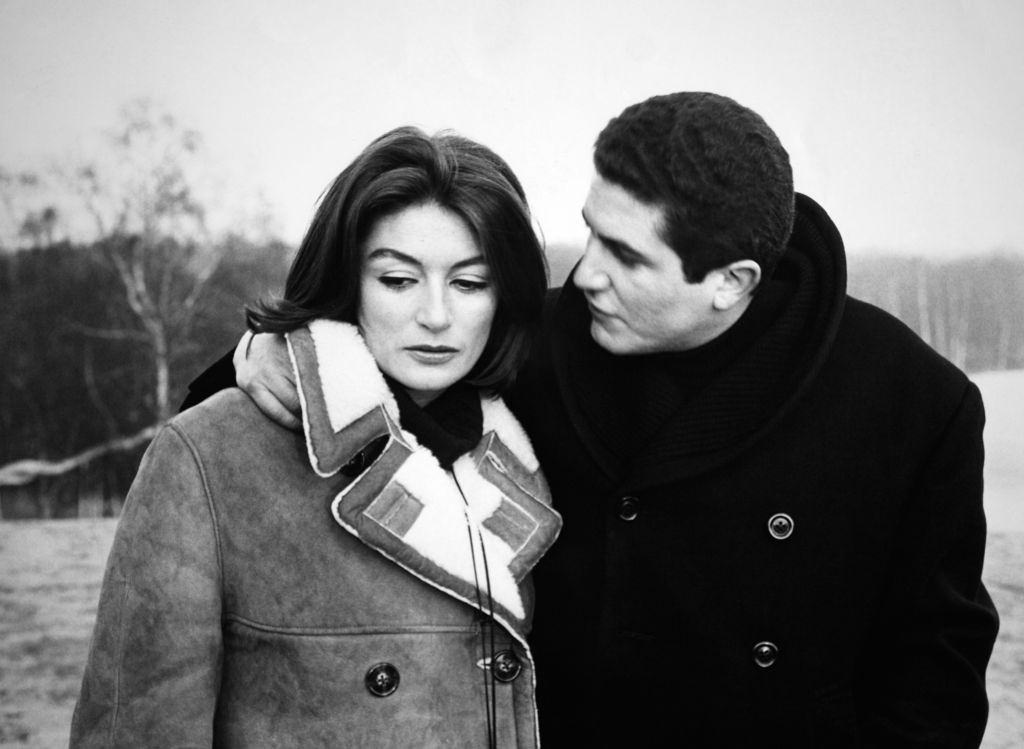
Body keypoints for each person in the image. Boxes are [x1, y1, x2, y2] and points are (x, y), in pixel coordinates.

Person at [182, 93, 999, 747]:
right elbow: (356, 375)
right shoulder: (535, 342)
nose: (586, 274)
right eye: (591, 233)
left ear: (731, 279)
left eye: (628, 256)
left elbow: (935, 670)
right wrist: (265, 353)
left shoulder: (913, 403)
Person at [71, 126, 561, 748]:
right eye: (397, 280)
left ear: (506, 295)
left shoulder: (538, 443)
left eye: (469, 283)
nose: (436, 316)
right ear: (345, 280)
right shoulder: (211, 453)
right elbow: (136, 729)